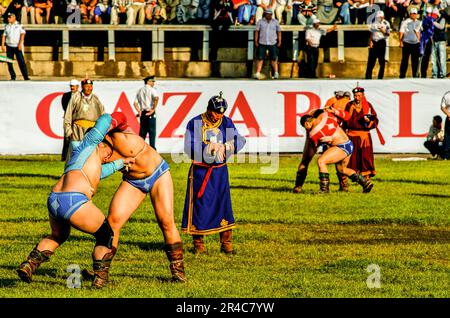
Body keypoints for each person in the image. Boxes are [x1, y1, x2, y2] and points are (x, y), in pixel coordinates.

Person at [17, 112, 134, 288]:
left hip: (54, 200)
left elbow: (100, 173)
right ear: (102, 144)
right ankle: (100, 279)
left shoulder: (82, 158)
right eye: (110, 152)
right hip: (74, 200)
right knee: (106, 235)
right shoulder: (91, 142)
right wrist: (120, 122)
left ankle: (29, 264)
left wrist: (122, 162)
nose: (110, 156)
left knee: (58, 235)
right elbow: (105, 118)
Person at [182, 92, 246, 254]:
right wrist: (208, 149)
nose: (219, 116)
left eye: (222, 112)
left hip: (220, 172)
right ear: (209, 109)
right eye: (216, 112)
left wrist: (227, 147)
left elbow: (238, 139)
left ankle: (226, 244)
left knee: (223, 204)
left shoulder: (226, 122)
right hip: (200, 172)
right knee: (200, 206)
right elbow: (189, 147)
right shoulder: (195, 122)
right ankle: (199, 245)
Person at [300, 108, 373, 193]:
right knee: (343, 170)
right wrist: (335, 111)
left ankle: (324, 189)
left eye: (305, 127)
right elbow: (347, 116)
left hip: (341, 147)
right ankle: (365, 183)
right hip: (348, 144)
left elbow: (313, 147)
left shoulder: (313, 133)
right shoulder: (327, 115)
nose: (306, 129)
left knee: (321, 161)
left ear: (307, 123)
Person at [293, 90, 351, 193]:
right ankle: (299, 186)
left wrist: (335, 112)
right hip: (319, 135)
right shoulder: (330, 107)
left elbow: (347, 117)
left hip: (328, 134)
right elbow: (346, 116)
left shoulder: (333, 109)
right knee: (309, 160)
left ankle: (342, 185)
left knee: (334, 161)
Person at [343, 86, 379, 185]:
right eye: (355, 95)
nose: (357, 97)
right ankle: (354, 178)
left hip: (364, 137)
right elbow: (345, 119)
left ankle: (366, 179)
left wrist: (369, 121)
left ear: (363, 95)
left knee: (365, 158)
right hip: (351, 136)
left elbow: (375, 120)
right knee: (352, 158)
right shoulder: (349, 105)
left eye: (359, 95)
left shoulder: (368, 106)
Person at [64, 79, 105, 162]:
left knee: (90, 155)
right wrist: (68, 131)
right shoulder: (76, 97)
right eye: (86, 86)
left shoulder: (96, 99)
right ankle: (70, 173)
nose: (89, 88)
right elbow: (68, 115)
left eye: (90, 86)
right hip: (77, 131)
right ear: (82, 87)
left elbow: (102, 114)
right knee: (75, 154)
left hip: (91, 131)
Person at [254, 8, 281, 80]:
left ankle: (276, 73)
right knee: (260, 58)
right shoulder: (260, 21)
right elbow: (257, 31)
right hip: (262, 42)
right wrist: (256, 41)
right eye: (267, 14)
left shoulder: (275, 22)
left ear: (272, 15)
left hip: (273, 42)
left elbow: (279, 32)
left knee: (274, 58)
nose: (269, 15)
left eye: (270, 14)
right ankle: (257, 73)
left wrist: (279, 41)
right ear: (265, 14)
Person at [1, 12, 29, 81]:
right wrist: (2, 45)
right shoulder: (7, 26)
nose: (8, 18)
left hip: (17, 46)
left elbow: (22, 34)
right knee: (9, 62)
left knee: (21, 62)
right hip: (9, 46)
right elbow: (4, 36)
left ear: (14, 17)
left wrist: (20, 44)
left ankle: (26, 76)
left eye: (10, 17)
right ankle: (13, 76)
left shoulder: (19, 25)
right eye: (8, 17)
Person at [134, 75, 159, 150]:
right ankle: (152, 149)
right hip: (150, 113)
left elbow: (135, 103)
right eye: (152, 81)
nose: (153, 83)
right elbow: (156, 98)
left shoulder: (140, 90)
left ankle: (140, 149)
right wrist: (153, 109)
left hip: (143, 114)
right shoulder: (151, 89)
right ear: (148, 81)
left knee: (142, 133)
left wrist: (139, 111)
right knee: (152, 133)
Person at [365, 10, 390, 80]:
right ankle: (368, 76)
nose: (379, 18)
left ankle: (380, 77)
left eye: (381, 17)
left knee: (381, 61)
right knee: (371, 60)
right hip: (374, 42)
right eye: (378, 17)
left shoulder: (386, 23)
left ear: (383, 17)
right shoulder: (373, 23)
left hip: (381, 41)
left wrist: (383, 31)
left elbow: (388, 34)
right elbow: (370, 33)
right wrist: (370, 42)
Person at [61, 79, 81, 161]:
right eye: (71, 86)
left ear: (77, 87)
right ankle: (64, 156)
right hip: (69, 119)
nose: (72, 88)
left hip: (77, 120)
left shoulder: (81, 95)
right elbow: (64, 106)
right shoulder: (66, 95)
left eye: (74, 86)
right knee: (67, 137)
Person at [399, 8, 422, 78]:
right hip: (406, 43)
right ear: (410, 14)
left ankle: (415, 75)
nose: (414, 15)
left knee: (415, 61)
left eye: (415, 14)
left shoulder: (419, 22)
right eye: (413, 14)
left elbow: (421, 32)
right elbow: (401, 32)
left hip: (416, 44)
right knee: (404, 60)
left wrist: (420, 41)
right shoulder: (405, 22)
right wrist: (400, 42)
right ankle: (402, 75)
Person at [431, 8, 446, 79]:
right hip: (434, 41)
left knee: (442, 58)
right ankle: (434, 74)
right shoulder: (433, 20)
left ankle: (442, 74)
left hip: (441, 41)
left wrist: (433, 23)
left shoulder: (442, 19)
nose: (433, 16)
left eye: (434, 15)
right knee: (433, 59)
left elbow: (441, 27)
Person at [440, 91, 450, 160]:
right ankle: (446, 156)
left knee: (448, 137)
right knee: (448, 137)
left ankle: (447, 156)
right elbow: (443, 107)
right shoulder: (447, 95)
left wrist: (449, 114)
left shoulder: (447, 94)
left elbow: (443, 107)